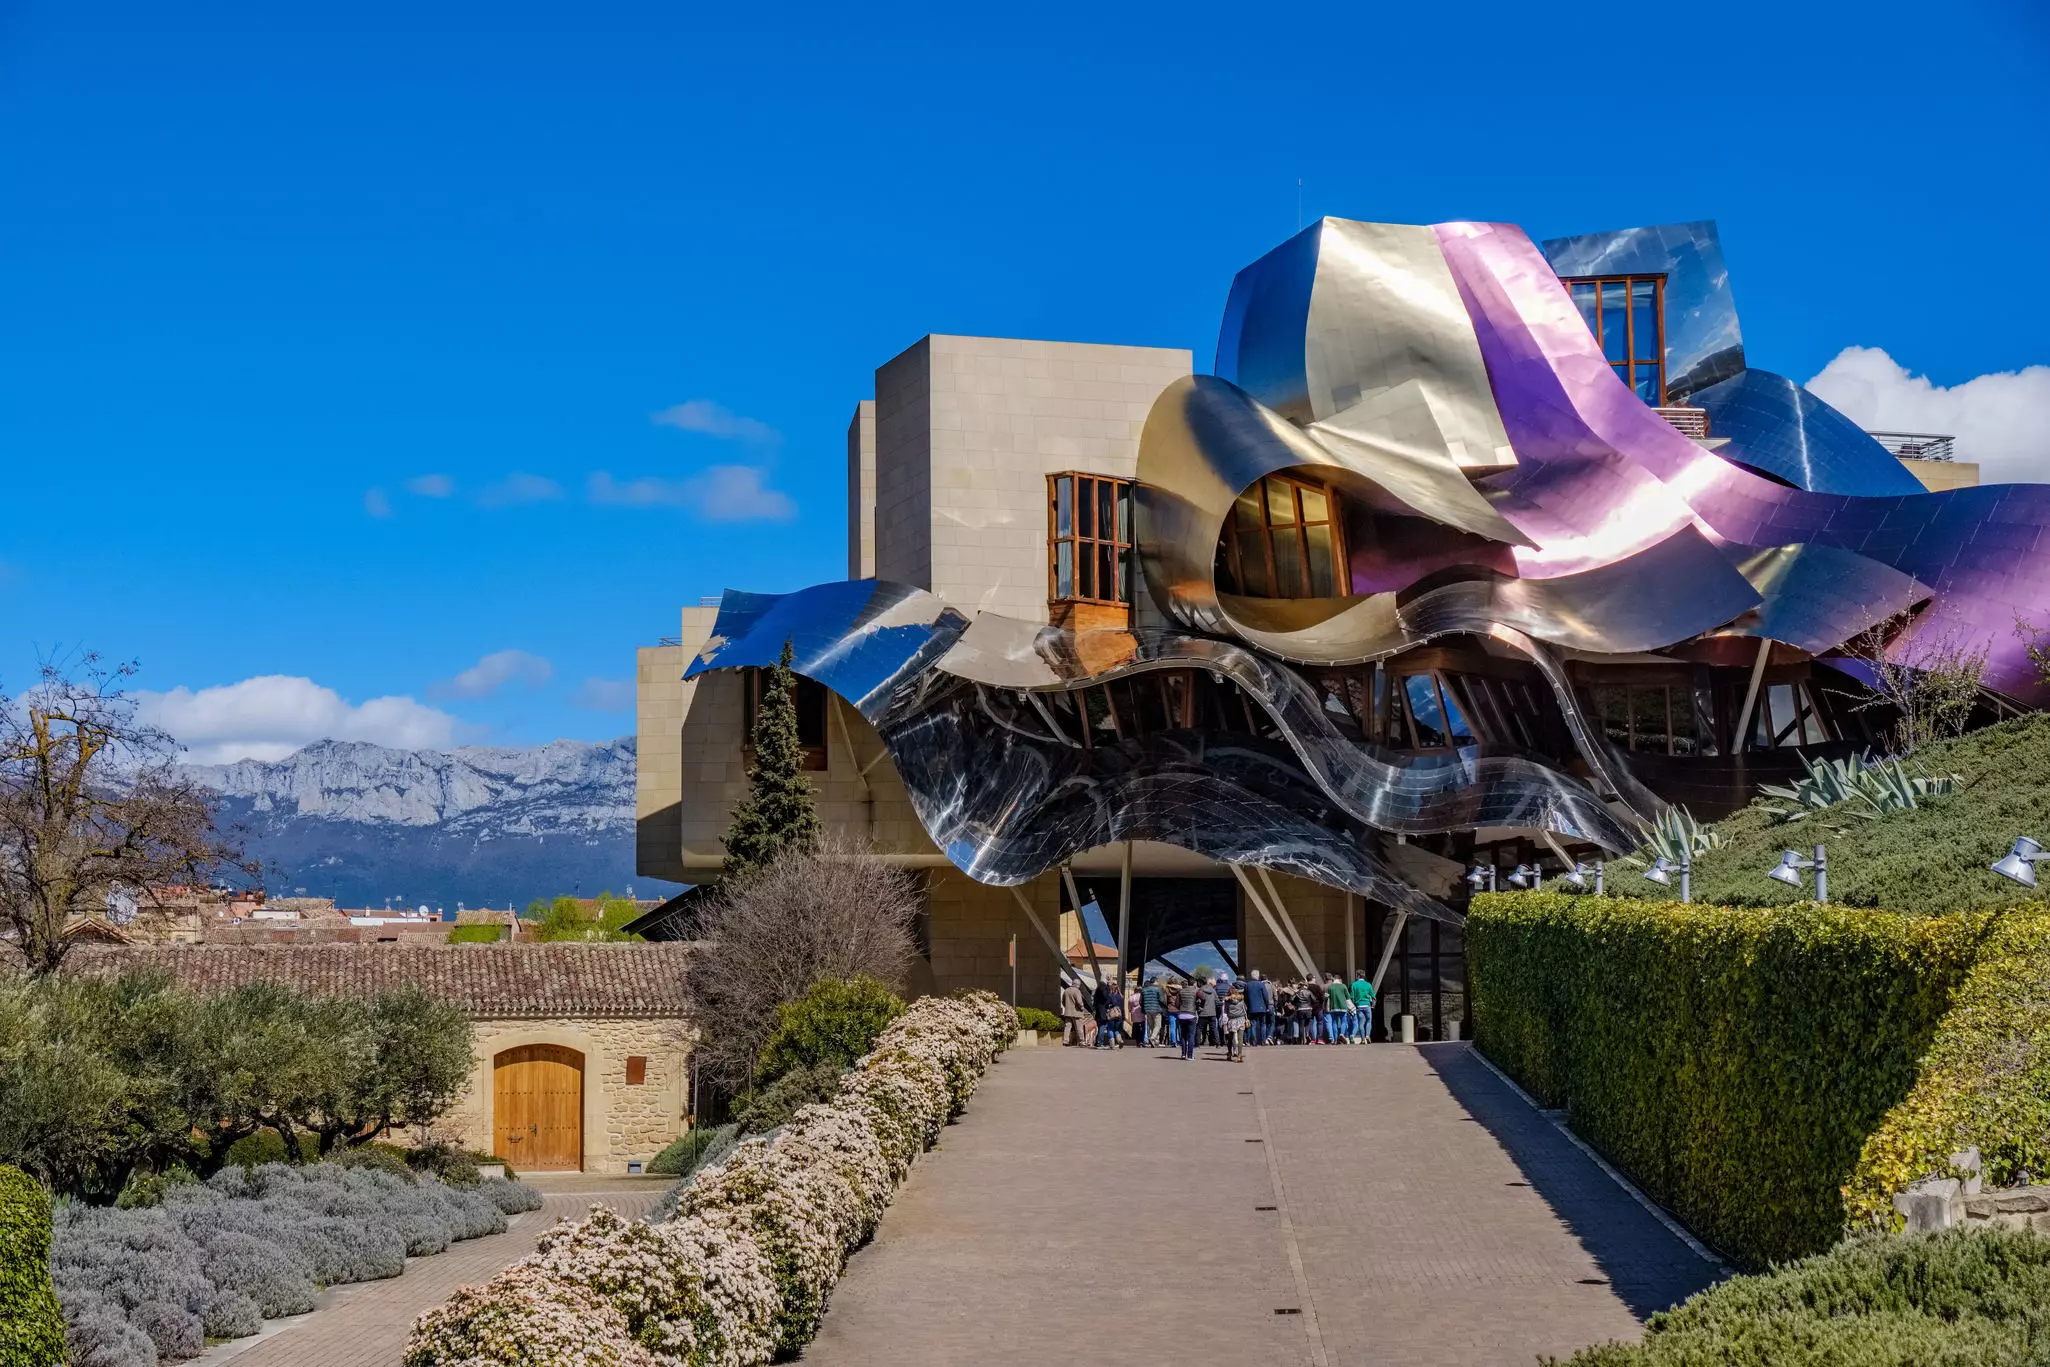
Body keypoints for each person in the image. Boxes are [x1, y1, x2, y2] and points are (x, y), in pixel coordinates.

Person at [1244, 969, 1273, 1046]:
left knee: (1253, 1024)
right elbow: (1266, 997)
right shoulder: (1261, 984)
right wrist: (1267, 1006)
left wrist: (1248, 1005)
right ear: (1258, 976)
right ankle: (1263, 1040)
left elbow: (1245, 998)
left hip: (1251, 1008)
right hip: (1261, 1008)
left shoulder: (1247, 985)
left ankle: (1254, 1041)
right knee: (1263, 1024)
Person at [1093, 976, 1123, 1049]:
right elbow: (1106, 998)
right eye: (1108, 979)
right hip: (1111, 1013)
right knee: (1105, 1027)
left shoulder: (1099, 990)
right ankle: (1100, 1042)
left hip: (1103, 1012)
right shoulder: (1104, 988)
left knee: (1105, 1028)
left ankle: (1102, 1042)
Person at [1222, 984, 1249, 1062]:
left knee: (1230, 1038)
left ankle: (1230, 1053)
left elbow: (1225, 1011)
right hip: (1241, 1020)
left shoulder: (1227, 1001)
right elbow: (1245, 1009)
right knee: (1240, 1038)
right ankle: (1239, 1055)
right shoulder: (1241, 1000)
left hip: (1231, 1020)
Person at [1059, 976, 1088, 1047]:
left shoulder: (1066, 990)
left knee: (1067, 1027)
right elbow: (1079, 1002)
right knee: (1079, 1027)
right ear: (1077, 985)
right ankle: (1081, 1041)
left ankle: (1065, 1041)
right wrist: (1082, 1008)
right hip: (1077, 1013)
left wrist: (1067, 1007)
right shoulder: (1077, 991)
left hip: (1068, 1012)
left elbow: (1063, 1001)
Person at [1175, 978, 1200, 1060]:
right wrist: (1197, 1006)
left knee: (1183, 1036)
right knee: (1191, 1036)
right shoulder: (1196, 991)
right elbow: (1203, 998)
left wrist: (1181, 1008)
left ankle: (1183, 1054)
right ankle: (1190, 1055)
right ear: (1194, 984)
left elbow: (1177, 1004)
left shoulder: (1181, 991)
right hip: (1191, 1014)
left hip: (1182, 1015)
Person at [1324, 973, 1352, 1044]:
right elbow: (1348, 997)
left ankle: (1335, 1039)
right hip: (1343, 1007)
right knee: (1343, 1021)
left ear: (1334, 979)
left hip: (1333, 1007)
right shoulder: (1343, 986)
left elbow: (1326, 997)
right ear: (1340, 979)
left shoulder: (1330, 987)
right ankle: (1342, 1034)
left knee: (1334, 1023)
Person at [1349, 968, 1376, 1044]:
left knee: (1360, 1023)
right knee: (1368, 1021)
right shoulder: (1368, 985)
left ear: (1357, 975)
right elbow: (1373, 996)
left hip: (1359, 1006)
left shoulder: (1354, 985)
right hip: (1367, 1005)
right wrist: (1373, 1005)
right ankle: (1367, 1035)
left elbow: (1352, 997)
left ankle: (1363, 1039)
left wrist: (1354, 1004)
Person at [1197, 973, 1222, 1047]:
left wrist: (1199, 1008)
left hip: (1203, 1012)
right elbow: (1217, 1002)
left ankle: (1197, 1043)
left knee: (1199, 1028)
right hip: (1212, 1013)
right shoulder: (1213, 991)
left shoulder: (1200, 990)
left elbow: (1198, 1001)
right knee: (1214, 1028)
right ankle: (1218, 1043)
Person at [1141, 975, 1164, 1048]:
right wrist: (1163, 1007)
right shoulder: (1158, 989)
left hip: (1147, 1010)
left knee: (1152, 1026)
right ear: (1155, 981)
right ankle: (1152, 1038)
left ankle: (1155, 1042)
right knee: (1158, 1026)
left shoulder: (1144, 989)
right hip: (1156, 1009)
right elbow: (1161, 1000)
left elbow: (1141, 1001)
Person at [1125, 980, 1144, 1047]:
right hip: (1141, 1013)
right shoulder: (1142, 996)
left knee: (1135, 1027)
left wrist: (1130, 1010)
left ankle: (1137, 1041)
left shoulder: (1131, 997)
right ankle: (1141, 1041)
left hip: (1134, 1013)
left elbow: (1129, 1006)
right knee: (1142, 1027)